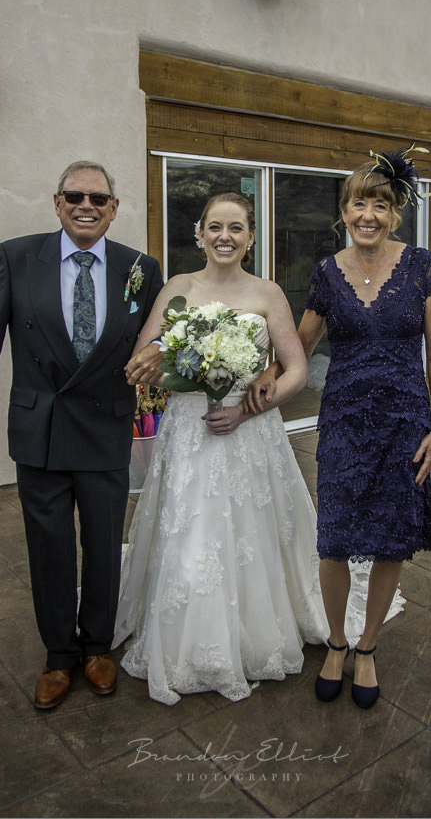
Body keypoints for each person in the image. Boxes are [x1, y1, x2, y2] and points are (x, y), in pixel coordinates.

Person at [0, 161, 164, 711]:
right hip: (40, 428)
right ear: (57, 203)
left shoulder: (141, 268)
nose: (85, 206)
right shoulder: (17, 256)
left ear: (114, 208)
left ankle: (96, 647)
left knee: (103, 544)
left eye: (98, 198)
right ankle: (58, 655)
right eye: (74, 196)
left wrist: (161, 357)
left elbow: (161, 333)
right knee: (48, 547)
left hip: (104, 425)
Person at [246, 150, 431, 709]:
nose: (368, 215)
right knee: (334, 540)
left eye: (380, 205)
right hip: (343, 424)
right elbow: (302, 346)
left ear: (394, 214)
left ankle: (367, 647)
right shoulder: (326, 274)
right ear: (344, 212)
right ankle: (336, 643)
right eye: (359, 204)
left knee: (390, 541)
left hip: (405, 425)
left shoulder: (421, 267)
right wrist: (260, 380)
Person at [114, 192, 327, 704]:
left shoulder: (268, 292)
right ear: (199, 234)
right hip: (190, 431)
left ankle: (253, 631)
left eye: (235, 228)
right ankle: (188, 638)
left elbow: (296, 371)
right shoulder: (178, 288)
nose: (224, 237)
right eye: (215, 227)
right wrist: (168, 359)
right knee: (190, 530)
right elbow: (144, 359)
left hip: (250, 430)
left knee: (251, 529)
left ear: (251, 238)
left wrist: (247, 409)